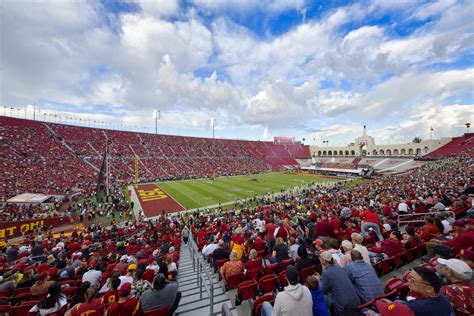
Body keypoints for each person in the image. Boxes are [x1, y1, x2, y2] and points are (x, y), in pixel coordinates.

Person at [382, 267, 453, 316]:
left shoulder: (417, 306)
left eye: (412, 280)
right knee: (397, 302)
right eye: (409, 277)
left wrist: (389, 304)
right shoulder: (440, 295)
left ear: (429, 289)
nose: (408, 281)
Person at [317, 250, 360, 315]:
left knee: (323, 296)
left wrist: (318, 280)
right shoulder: (338, 267)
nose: (319, 259)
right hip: (356, 301)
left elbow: (324, 290)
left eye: (320, 257)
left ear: (324, 260)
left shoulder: (326, 273)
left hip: (344, 308)